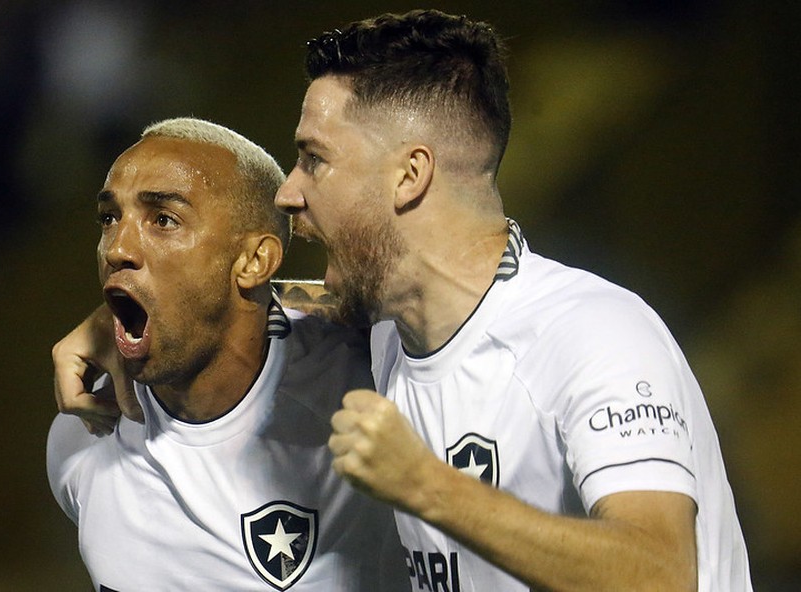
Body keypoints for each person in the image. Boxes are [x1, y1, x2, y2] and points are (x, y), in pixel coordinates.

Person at [54, 10, 753, 591]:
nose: (291, 192)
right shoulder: (389, 331)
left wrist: (427, 487)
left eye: (315, 159)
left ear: (409, 175)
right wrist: (114, 316)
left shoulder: (590, 333)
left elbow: (664, 573)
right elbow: (256, 298)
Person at [46, 117, 408, 591]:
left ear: (255, 261)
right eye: (110, 218)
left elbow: (446, 291)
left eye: (163, 220)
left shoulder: (370, 376)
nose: (118, 248)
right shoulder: (82, 436)